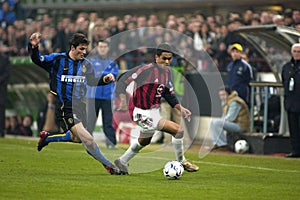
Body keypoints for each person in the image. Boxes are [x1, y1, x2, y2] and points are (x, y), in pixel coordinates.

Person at [28, 32, 120, 174]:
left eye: (85, 49)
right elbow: (37, 60)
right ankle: (110, 166)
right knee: (88, 139)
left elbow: (92, 80)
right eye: (81, 49)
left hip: (80, 107)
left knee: (77, 139)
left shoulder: (85, 64)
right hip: (65, 107)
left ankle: (47, 139)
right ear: (72, 47)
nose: (84, 52)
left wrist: (105, 79)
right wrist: (34, 47)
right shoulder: (57, 60)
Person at [114, 43, 199, 174]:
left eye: (169, 59)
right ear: (156, 57)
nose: (167, 62)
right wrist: (123, 100)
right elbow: (123, 79)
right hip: (139, 111)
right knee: (178, 130)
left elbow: (168, 94)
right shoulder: (146, 70)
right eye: (164, 58)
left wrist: (180, 108)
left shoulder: (167, 73)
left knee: (144, 141)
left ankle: (122, 161)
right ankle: (182, 161)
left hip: (154, 113)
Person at [86, 39, 119, 149]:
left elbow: (113, 75)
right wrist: (105, 74)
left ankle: (111, 144)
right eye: (101, 47)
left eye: (104, 47)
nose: (102, 49)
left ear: (108, 48)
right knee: (90, 121)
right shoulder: (91, 61)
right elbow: (91, 75)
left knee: (108, 121)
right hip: (92, 96)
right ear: (97, 48)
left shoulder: (113, 62)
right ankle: (87, 142)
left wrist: (100, 73)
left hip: (107, 97)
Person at [210, 86, 250, 151]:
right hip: (234, 124)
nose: (222, 97)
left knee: (217, 123)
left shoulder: (234, 101)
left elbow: (231, 118)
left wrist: (221, 121)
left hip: (240, 125)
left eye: (224, 95)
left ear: (228, 94)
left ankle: (223, 145)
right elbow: (224, 117)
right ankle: (217, 144)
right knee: (212, 122)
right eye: (220, 95)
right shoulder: (226, 101)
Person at [281, 43, 300, 158]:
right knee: (293, 129)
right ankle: (296, 150)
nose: (297, 54)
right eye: (295, 51)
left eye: (299, 52)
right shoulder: (287, 67)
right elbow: (284, 82)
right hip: (291, 103)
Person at [0, 52, 10, 137]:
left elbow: (7, 74)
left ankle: (1, 130)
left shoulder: (5, 59)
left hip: (1, 90)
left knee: (1, 111)